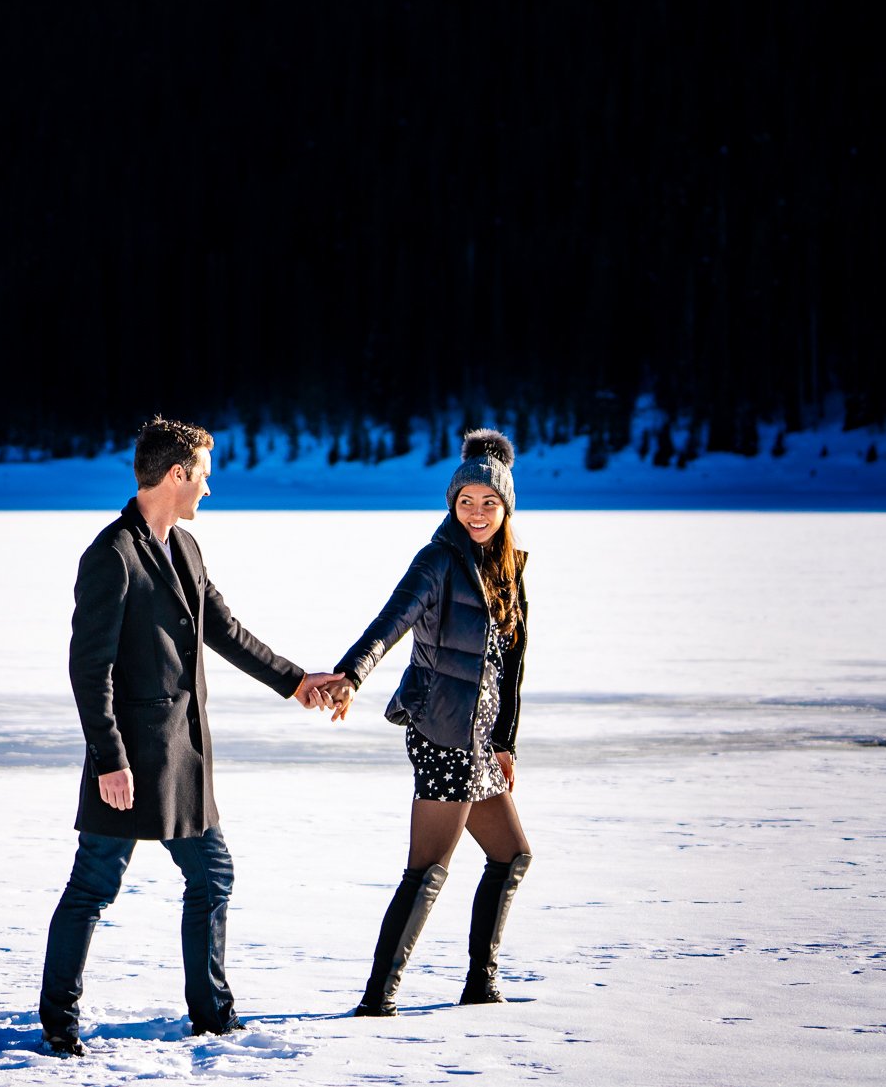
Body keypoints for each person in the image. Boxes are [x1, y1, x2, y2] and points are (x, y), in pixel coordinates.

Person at [37, 417, 346, 1056]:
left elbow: (225, 631)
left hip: (182, 758)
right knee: (94, 886)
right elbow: (87, 669)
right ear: (176, 473)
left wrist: (296, 682)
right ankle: (58, 1025)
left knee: (213, 874)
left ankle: (212, 1015)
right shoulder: (112, 555)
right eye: (204, 473)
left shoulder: (186, 549)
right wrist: (109, 760)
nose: (210, 486)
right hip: (127, 760)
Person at [322, 427, 533, 1016]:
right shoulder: (437, 560)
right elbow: (390, 622)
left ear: (506, 506)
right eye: (466, 501)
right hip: (443, 733)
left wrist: (504, 742)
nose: (476, 512)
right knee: (428, 868)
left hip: (481, 740)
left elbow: (512, 665)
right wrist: (351, 676)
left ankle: (479, 982)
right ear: (452, 503)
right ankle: (378, 998)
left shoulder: (509, 567)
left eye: (489, 502)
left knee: (511, 855)